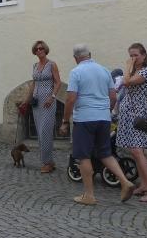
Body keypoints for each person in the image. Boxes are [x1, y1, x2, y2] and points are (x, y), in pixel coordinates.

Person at [58, 44, 135, 205]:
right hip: (103, 117)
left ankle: (89, 195)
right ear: (90, 54)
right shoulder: (104, 70)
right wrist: (105, 110)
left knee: (83, 156)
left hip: (85, 118)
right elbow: (113, 96)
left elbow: (71, 98)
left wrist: (65, 121)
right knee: (105, 153)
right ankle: (124, 181)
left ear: (75, 58)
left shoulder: (76, 72)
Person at [118, 43, 147, 203]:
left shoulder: (146, 72)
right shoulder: (136, 71)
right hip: (129, 114)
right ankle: (143, 185)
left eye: (135, 55)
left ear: (144, 55)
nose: (132, 58)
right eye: (130, 56)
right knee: (136, 151)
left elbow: (126, 82)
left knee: (137, 151)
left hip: (137, 115)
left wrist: (127, 66)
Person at [26, 40, 61, 173]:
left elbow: (57, 82)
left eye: (41, 48)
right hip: (36, 102)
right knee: (40, 133)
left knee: (45, 131)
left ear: (45, 50)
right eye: (36, 49)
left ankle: (47, 163)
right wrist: (27, 100)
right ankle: (49, 161)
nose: (39, 50)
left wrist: (52, 97)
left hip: (48, 102)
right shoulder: (35, 65)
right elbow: (33, 84)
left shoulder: (52, 64)